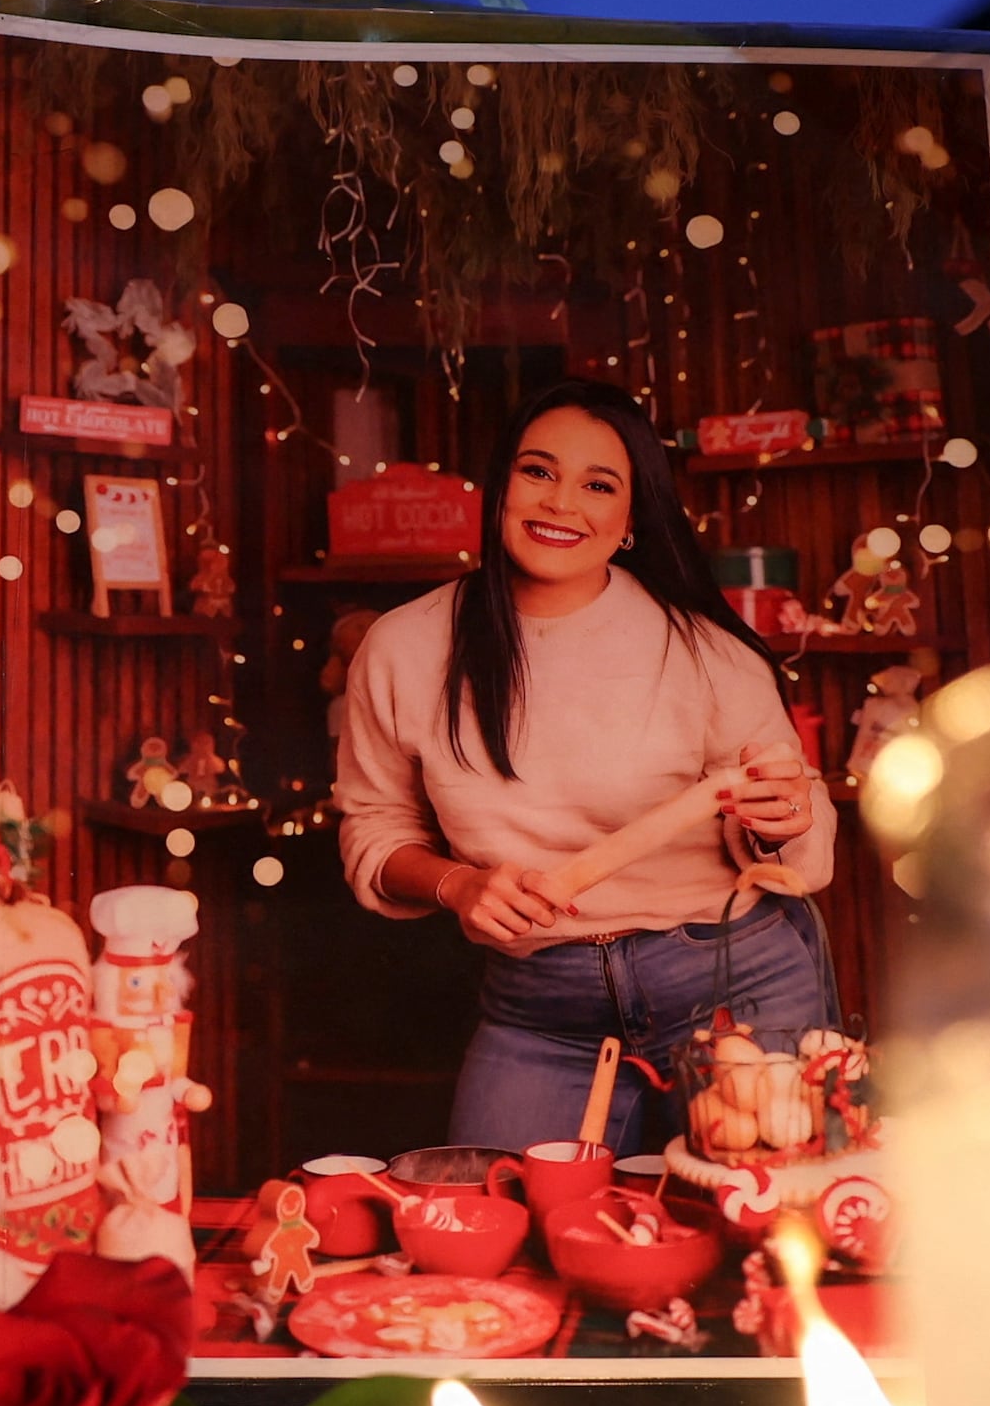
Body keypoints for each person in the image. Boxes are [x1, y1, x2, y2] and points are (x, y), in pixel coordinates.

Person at [328, 376, 836, 1157]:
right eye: (538, 472)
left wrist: (785, 820)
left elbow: (800, 832)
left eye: (598, 485)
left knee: (762, 1228)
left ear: (630, 519)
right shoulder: (403, 648)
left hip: (733, 985)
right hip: (538, 1009)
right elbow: (375, 825)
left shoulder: (708, 653)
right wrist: (458, 884)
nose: (561, 504)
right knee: (506, 1232)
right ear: (500, 489)